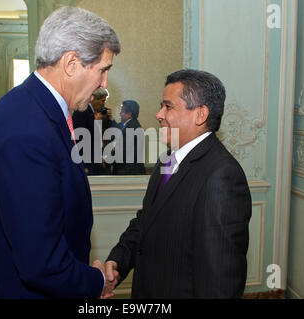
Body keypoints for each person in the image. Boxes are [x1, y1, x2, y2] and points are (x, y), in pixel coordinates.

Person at [0, 6, 120, 299]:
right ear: (71, 63)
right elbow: (41, 264)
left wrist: (81, 269)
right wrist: (94, 281)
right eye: (103, 70)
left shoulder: (35, 108)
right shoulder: (27, 131)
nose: (103, 85)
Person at [104, 69, 252, 298]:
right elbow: (147, 219)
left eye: (168, 106)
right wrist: (117, 260)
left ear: (200, 115)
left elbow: (220, 282)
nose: (159, 114)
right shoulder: (167, 159)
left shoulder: (222, 176)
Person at [72, 88, 108, 175]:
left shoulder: (90, 112)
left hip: (93, 162)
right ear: (93, 98)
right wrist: (83, 165)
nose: (104, 104)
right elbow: (79, 140)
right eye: (103, 101)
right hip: (86, 164)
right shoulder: (82, 111)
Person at [112, 100, 146, 175]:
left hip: (127, 171)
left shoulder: (130, 128)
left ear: (129, 114)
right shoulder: (133, 125)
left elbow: (122, 152)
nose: (120, 114)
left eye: (122, 111)